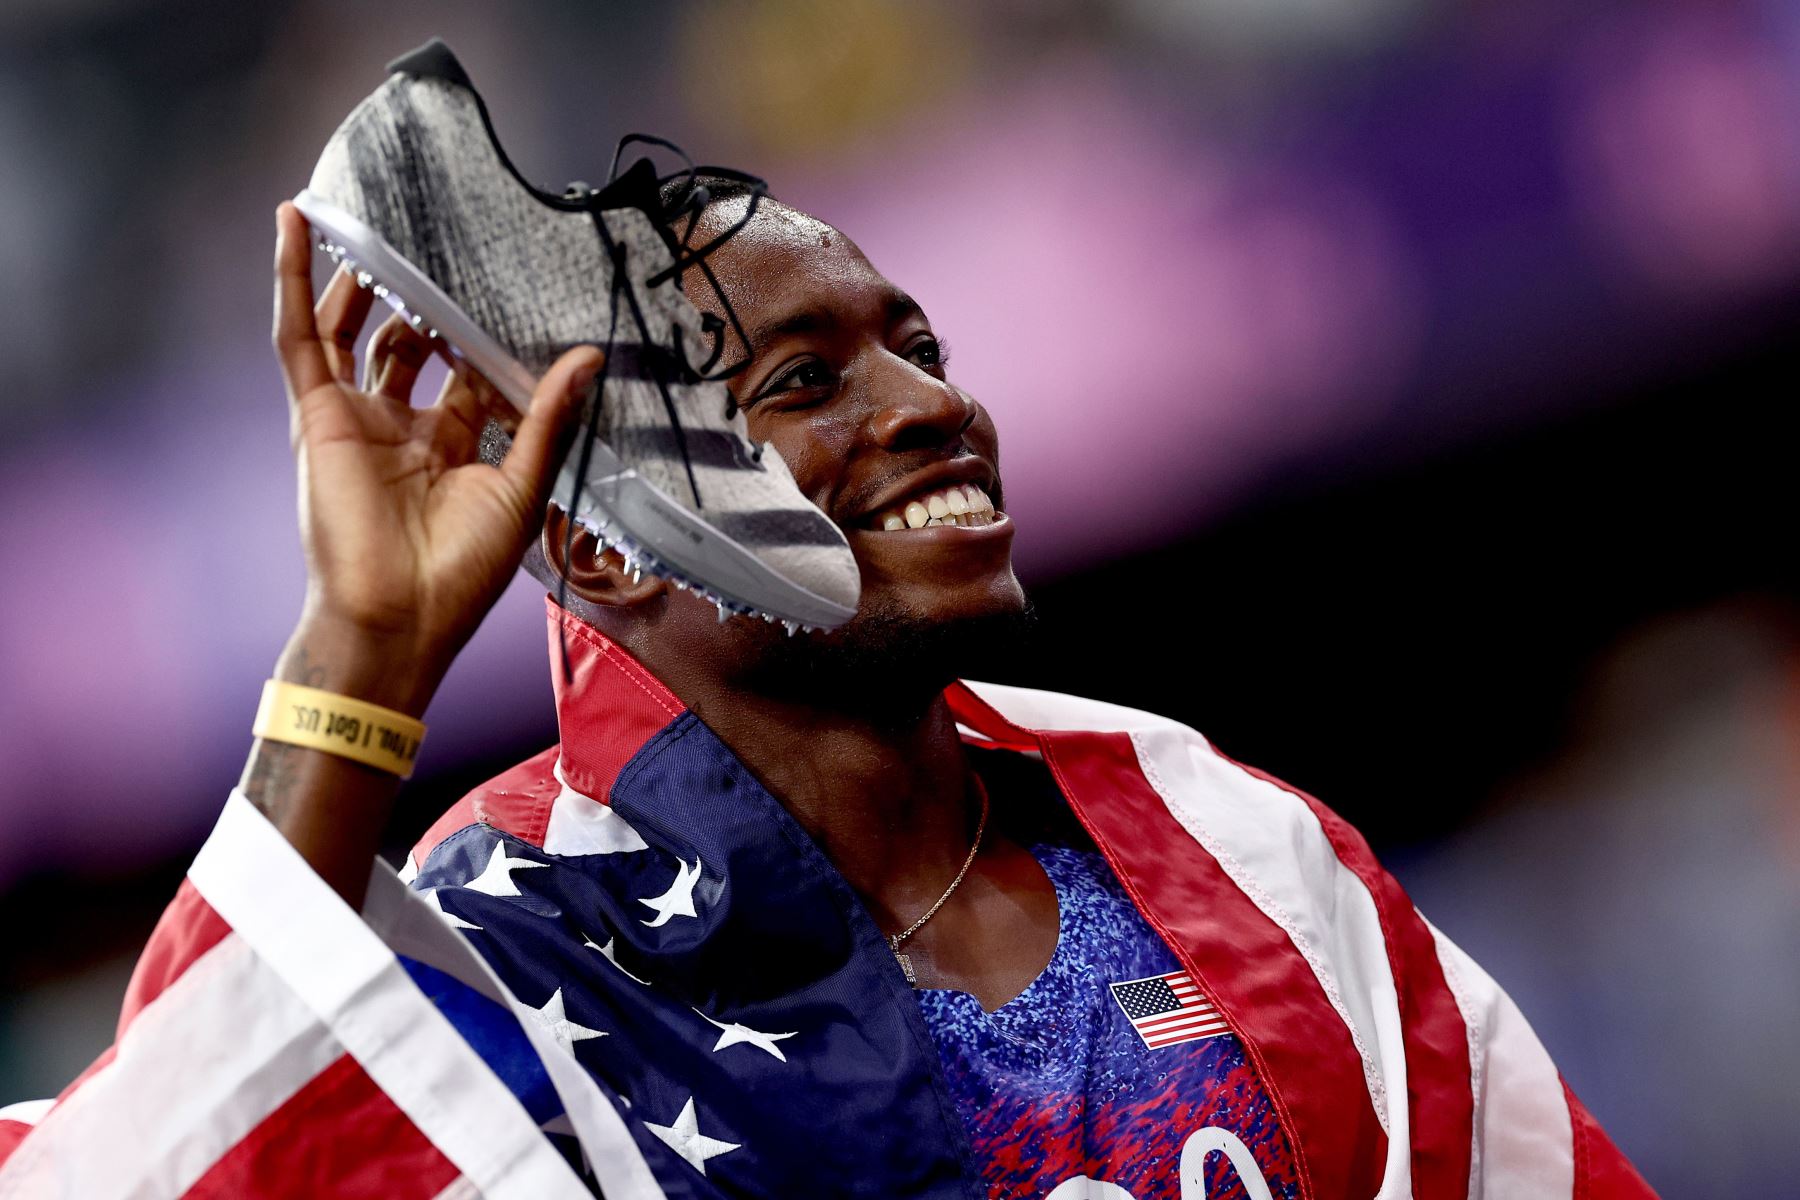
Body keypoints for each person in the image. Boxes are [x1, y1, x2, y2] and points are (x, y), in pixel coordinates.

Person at [0, 181, 1656, 1200]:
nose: (936, 406)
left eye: (916, 344)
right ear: (607, 550)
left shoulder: (1216, 826)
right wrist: (358, 650)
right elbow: (161, 1161)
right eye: (807, 383)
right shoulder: (503, 958)